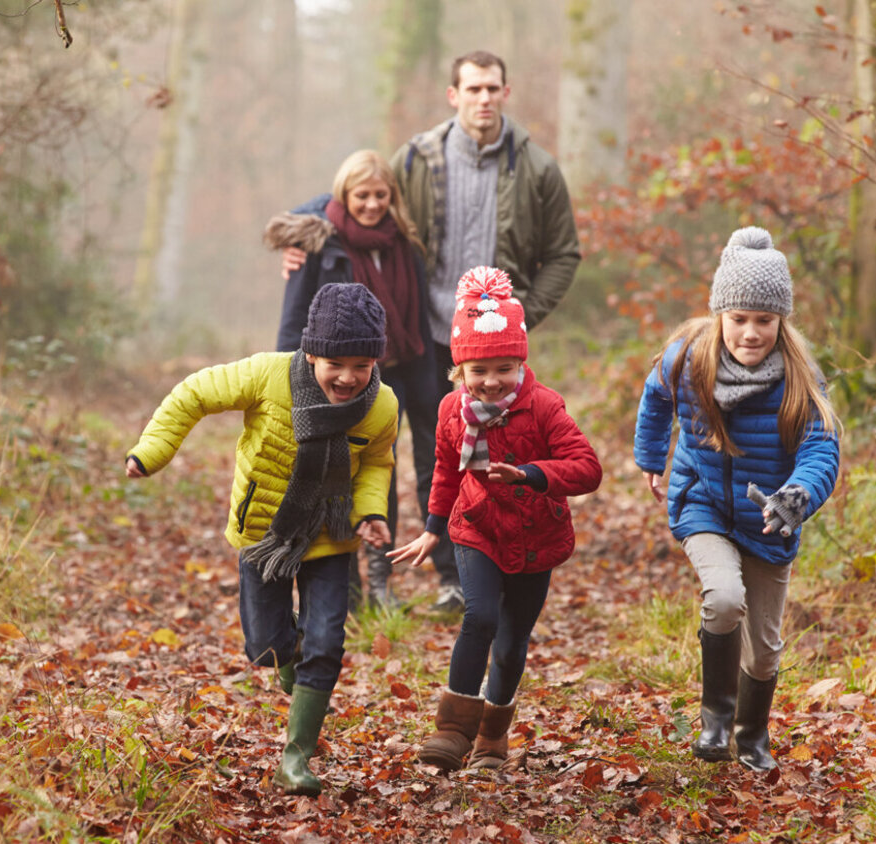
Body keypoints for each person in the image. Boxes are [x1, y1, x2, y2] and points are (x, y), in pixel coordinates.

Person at [284, 50, 582, 613]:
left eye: (493, 88)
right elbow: (356, 194)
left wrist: (519, 317)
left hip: (490, 346)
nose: (484, 99)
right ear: (455, 95)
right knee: (394, 451)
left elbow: (564, 252)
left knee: (473, 457)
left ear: (506, 92)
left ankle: (462, 578)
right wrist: (301, 234)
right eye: (473, 89)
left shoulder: (536, 168)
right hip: (420, 336)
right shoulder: (418, 158)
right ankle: (380, 575)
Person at [125, 283, 399, 796]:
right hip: (263, 535)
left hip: (332, 539)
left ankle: (295, 759)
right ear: (312, 352)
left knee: (327, 644)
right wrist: (152, 451)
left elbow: (376, 465)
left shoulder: (381, 406)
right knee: (267, 647)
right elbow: (193, 394)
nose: (348, 377)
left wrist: (369, 513)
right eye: (336, 362)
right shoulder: (266, 375)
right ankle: (296, 673)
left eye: (361, 364)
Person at [633, 227, 840, 771]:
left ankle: (752, 734)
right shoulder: (687, 360)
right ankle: (716, 722)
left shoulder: (799, 377)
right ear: (719, 313)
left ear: (781, 321)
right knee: (724, 599)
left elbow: (822, 449)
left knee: (766, 647)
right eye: (739, 319)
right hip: (701, 502)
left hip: (771, 519)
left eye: (764, 321)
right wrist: (652, 458)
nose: (750, 333)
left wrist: (797, 496)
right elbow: (654, 397)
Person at [389, 266, 602, 771]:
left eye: (504, 368)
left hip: (536, 538)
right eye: (477, 372)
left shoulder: (545, 408)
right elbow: (444, 470)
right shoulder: (450, 411)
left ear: (521, 363)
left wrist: (531, 473)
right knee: (479, 616)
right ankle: (453, 730)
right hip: (476, 527)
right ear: (459, 371)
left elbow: (587, 469)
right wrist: (432, 529)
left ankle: (491, 738)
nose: (490, 382)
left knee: (510, 644)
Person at [264, 150, 436, 610]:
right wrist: (290, 382)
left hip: (391, 377)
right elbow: (293, 319)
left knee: (381, 473)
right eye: (362, 195)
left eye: (381, 195)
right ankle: (345, 586)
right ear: (344, 194)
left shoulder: (403, 243)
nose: (372, 204)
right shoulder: (319, 243)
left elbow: (415, 316)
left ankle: (381, 582)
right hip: (333, 380)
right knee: (337, 475)